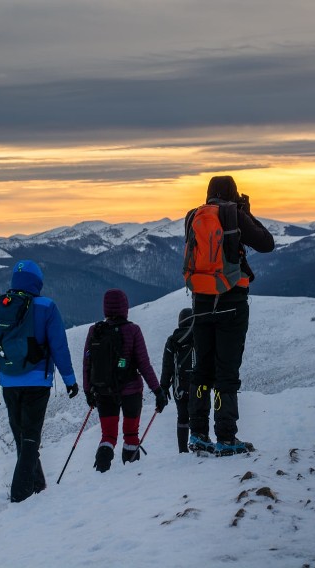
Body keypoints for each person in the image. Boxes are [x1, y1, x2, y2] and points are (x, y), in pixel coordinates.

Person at [185, 176, 274, 456]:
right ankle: (225, 436)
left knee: (202, 371)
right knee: (226, 371)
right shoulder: (235, 215)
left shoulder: (192, 216)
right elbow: (266, 243)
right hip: (232, 301)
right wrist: (245, 213)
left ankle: (198, 433)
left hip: (200, 303)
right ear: (233, 194)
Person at [0, 260, 78, 503]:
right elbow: (59, 347)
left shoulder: (1, 306)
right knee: (31, 438)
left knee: (22, 439)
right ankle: (20, 496)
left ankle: (38, 486)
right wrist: (69, 380)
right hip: (37, 382)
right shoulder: (46, 307)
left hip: (8, 382)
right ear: (38, 282)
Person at [83, 288, 167, 472]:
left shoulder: (94, 331)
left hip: (104, 392)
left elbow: (87, 363)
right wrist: (158, 391)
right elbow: (144, 365)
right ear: (125, 307)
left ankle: (102, 472)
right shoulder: (133, 330)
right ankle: (130, 475)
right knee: (131, 434)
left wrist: (88, 391)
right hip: (131, 392)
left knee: (108, 435)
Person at [160, 307, 195, 453]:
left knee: (182, 417)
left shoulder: (172, 340)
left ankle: (182, 449)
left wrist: (163, 387)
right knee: (197, 414)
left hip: (179, 386)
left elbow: (167, 365)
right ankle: (198, 443)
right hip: (197, 383)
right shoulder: (199, 336)